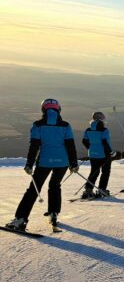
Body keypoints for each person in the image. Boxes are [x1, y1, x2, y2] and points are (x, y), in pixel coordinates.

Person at [5, 99, 79, 231]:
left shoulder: (37, 125)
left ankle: (20, 219)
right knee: (55, 186)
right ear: (58, 109)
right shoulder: (66, 125)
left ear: (43, 110)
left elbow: (34, 146)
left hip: (44, 162)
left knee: (33, 190)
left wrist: (29, 164)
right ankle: (53, 214)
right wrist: (73, 163)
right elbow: (70, 146)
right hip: (62, 163)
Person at [81, 111, 116, 198]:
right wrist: (111, 152)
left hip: (92, 155)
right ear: (101, 119)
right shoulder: (104, 130)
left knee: (94, 172)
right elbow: (105, 143)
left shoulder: (88, 130)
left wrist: (91, 148)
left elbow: (84, 141)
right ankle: (102, 190)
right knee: (105, 172)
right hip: (104, 155)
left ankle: (88, 190)